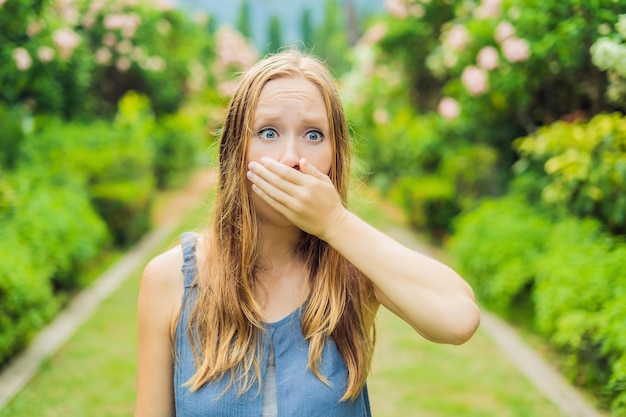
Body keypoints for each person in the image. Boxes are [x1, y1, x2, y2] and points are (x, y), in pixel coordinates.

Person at [134, 49, 480, 417]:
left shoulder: (355, 269)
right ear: (236, 151)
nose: (290, 157)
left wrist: (336, 223)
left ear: (335, 156)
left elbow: (458, 319)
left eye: (313, 135)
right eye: (268, 132)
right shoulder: (170, 280)